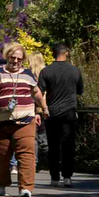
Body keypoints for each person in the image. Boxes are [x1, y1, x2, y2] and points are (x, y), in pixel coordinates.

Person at [0, 42, 43, 197]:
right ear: (7, 57)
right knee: (1, 155)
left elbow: (36, 92)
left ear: (23, 59)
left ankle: (25, 188)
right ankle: (1, 184)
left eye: (19, 58)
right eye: (13, 58)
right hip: (0, 122)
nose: (16, 61)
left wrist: (44, 108)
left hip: (25, 120)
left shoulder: (28, 74)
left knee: (26, 154)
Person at [36, 46, 87, 186]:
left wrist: (41, 108)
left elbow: (38, 92)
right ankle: (67, 177)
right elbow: (80, 90)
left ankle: (54, 178)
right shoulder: (75, 71)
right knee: (68, 145)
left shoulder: (46, 71)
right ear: (67, 53)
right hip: (69, 111)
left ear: (53, 54)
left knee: (53, 146)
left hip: (52, 112)